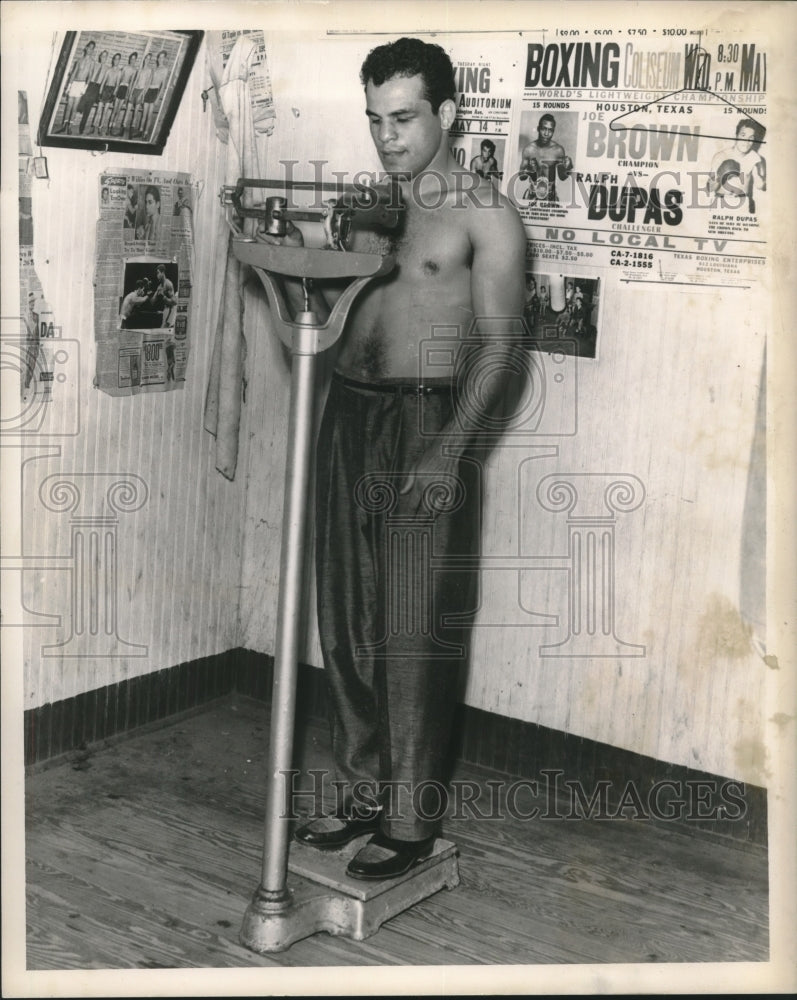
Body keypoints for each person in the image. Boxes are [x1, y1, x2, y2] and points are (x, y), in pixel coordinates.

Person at [257, 37, 526, 881]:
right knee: (347, 620)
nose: (387, 136)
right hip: (350, 414)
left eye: (403, 118)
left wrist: (450, 452)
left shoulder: (486, 215)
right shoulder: (373, 203)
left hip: (427, 421)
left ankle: (409, 826)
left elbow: (502, 349)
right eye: (375, 120)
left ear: (445, 113)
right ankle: (367, 795)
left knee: (413, 631)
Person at [706, 119, 766, 214]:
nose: (746, 142)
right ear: (736, 136)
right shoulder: (721, 156)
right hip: (720, 203)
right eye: (743, 135)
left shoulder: (755, 158)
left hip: (742, 204)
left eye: (751, 138)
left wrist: (760, 174)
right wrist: (720, 175)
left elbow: (760, 186)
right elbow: (710, 188)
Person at [519, 113, 573, 203]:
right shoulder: (529, 149)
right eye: (544, 129)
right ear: (538, 129)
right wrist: (530, 170)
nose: (546, 134)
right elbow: (521, 177)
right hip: (532, 195)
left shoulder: (558, 150)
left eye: (550, 130)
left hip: (550, 196)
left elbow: (562, 177)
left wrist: (568, 168)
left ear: (553, 131)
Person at [57, 40, 95, 134]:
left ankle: (70, 126)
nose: (90, 49)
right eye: (89, 47)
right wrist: (69, 85)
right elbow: (73, 73)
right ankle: (64, 126)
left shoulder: (92, 62)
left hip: (81, 85)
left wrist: (85, 87)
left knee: (74, 107)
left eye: (92, 48)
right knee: (69, 105)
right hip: (74, 83)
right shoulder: (79, 60)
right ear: (86, 48)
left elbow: (90, 76)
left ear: (93, 50)